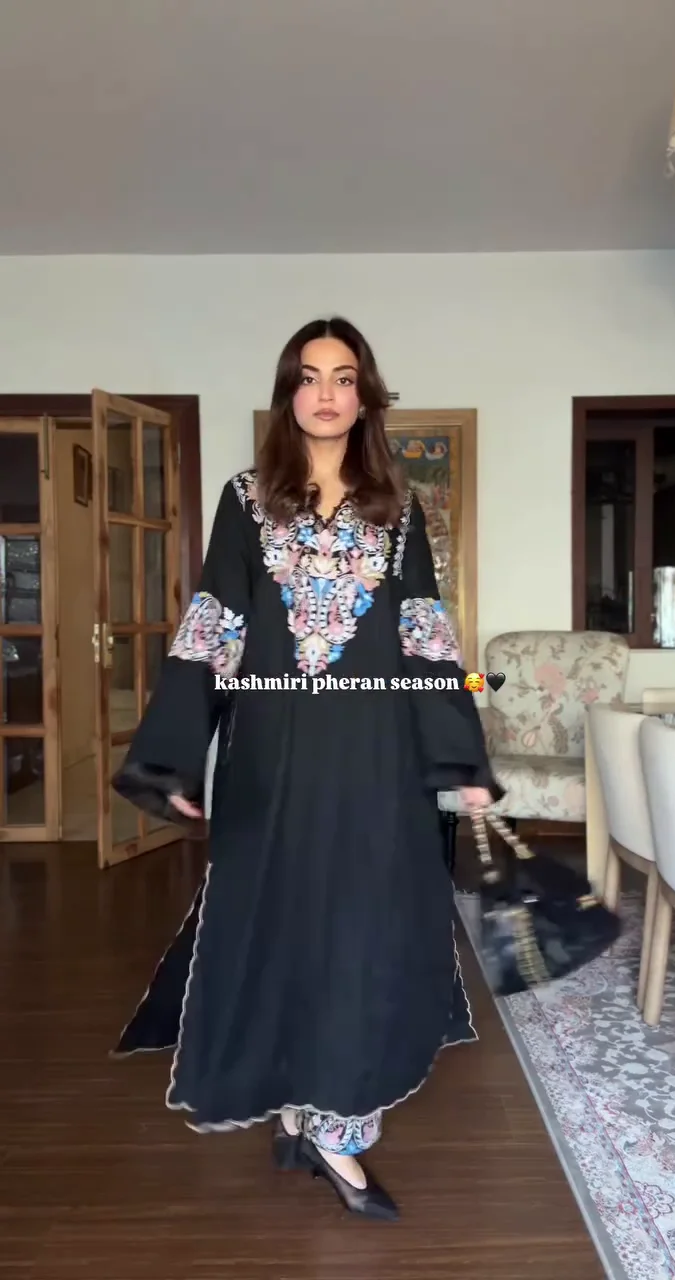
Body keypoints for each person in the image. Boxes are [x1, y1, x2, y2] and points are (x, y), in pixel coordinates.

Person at [112, 316, 502, 1223]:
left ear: (365, 396)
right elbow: (217, 621)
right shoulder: (247, 499)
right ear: (289, 392)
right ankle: (295, 1105)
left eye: (344, 377)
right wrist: (174, 753)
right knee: (281, 919)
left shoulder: (397, 507)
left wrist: (458, 755)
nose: (327, 393)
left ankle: (336, 1127)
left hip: (375, 755)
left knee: (364, 924)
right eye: (310, 376)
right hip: (273, 754)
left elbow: (423, 631)